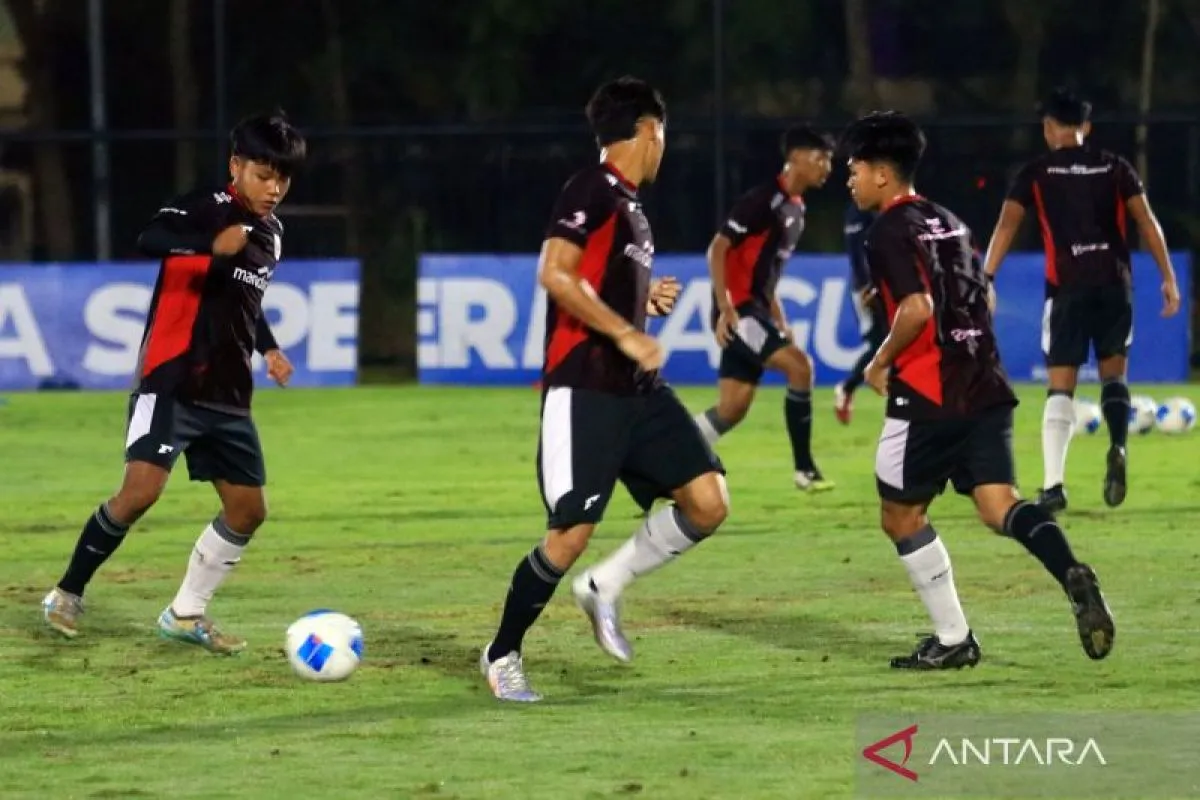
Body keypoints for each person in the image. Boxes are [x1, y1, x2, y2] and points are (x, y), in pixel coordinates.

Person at [479, 77, 729, 702]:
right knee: (570, 533)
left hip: (637, 390)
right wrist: (628, 333)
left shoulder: (630, 205)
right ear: (650, 130)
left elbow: (596, 282)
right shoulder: (590, 188)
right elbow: (556, 274)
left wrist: (646, 302)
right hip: (584, 387)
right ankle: (502, 652)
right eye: (663, 134)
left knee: (708, 501)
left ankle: (605, 586)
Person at [843, 110, 1115, 669]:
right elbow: (980, 299)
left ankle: (953, 639)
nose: (849, 181)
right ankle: (1070, 571)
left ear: (881, 175)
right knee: (1000, 505)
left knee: (900, 515)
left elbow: (918, 308)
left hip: (929, 391)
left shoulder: (887, 229)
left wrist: (879, 360)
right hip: (985, 381)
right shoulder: (949, 220)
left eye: (854, 170)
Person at [42, 111, 306, 655]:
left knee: (248, 511)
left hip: (229, 395)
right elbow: (150, 237)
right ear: (236, 167)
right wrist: (210, 246)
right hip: (173, 379)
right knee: (140, 492)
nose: (274, 187)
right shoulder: (206, 208)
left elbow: (245, 301)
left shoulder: (272, 234)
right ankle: (66, 593)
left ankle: (186, 614)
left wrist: (270, 347)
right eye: (263, 173)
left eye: (283, 176)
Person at [982, 87, 1181, 512]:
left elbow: (1006, 225)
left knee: (1061, 386)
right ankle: (1119, 445)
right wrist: (1168, 276)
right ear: (1086, 128)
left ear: (1049, 128)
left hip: (1068, 287)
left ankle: (1054, 486)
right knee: (1114, 376)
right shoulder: (1114, 167)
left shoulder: (1036, 172)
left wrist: (987, 275)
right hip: (1113, 284)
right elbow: (1147, 222)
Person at [692, 126, 835, 491]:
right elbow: (718, 249)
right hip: (738, 313)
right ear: (797, 158)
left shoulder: (797, 211)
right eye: (820, 159)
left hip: (755, 310)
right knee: (800, 368)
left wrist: (780, 319)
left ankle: (672, 450)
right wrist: (725, 308)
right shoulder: (763, 200)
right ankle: (804, 470)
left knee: (732, 408)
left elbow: (766, 275)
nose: (827, 167)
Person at [833, 201, 886, 425]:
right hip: (868, 288)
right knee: (880, 342)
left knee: (891, 341)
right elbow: (855, 251)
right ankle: (847, 388)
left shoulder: (881, 204)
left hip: (887, 284)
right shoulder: (858, 209)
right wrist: (866, 285)